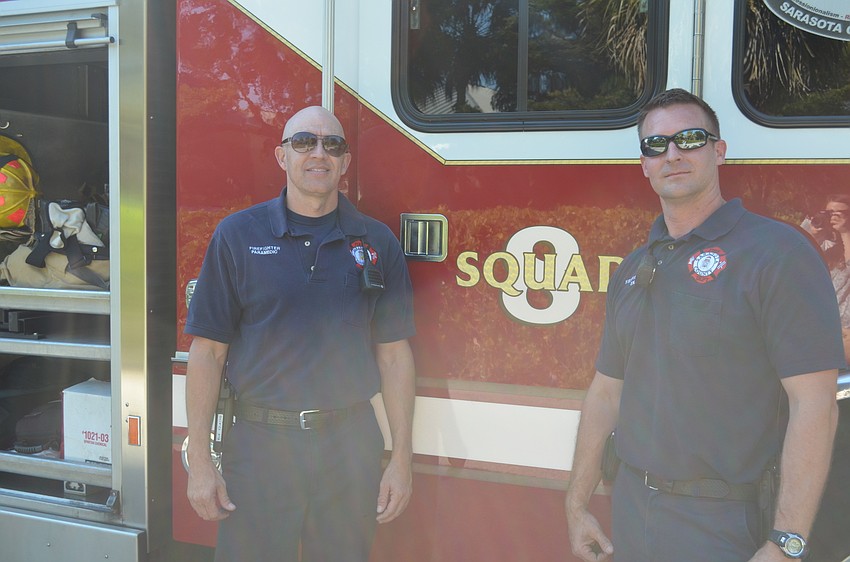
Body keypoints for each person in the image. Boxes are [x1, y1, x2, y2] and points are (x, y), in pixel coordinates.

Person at [565, 89, 844, 562]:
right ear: (644, 165)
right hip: (632, 512)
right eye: (656, 145)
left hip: (723, 524)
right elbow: (606, 392)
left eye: (690, 139)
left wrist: (787, 542)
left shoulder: (776, 253)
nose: (672, 154)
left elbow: (814, 403)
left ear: (720, 151)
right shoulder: (633, 268)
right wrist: (576, 504)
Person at [184, 106, 416, 562]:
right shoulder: (237, 236)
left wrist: (401, 459)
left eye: (333, 144)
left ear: (345, 162)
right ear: (282, 156)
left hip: (349, 447)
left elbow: (394, 356)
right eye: (304, 142)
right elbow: (207, 352)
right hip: (260, 447)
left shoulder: (377, 242)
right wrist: (201, 462)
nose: (318, 153)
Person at [802, 193, 850, 363]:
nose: (832, 217)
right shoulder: (826, 245)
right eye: (828, 212)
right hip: (817, 330)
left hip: (844, 334)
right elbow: (798, 266)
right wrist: (815, 234)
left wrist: (845, 231)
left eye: (839, 212)